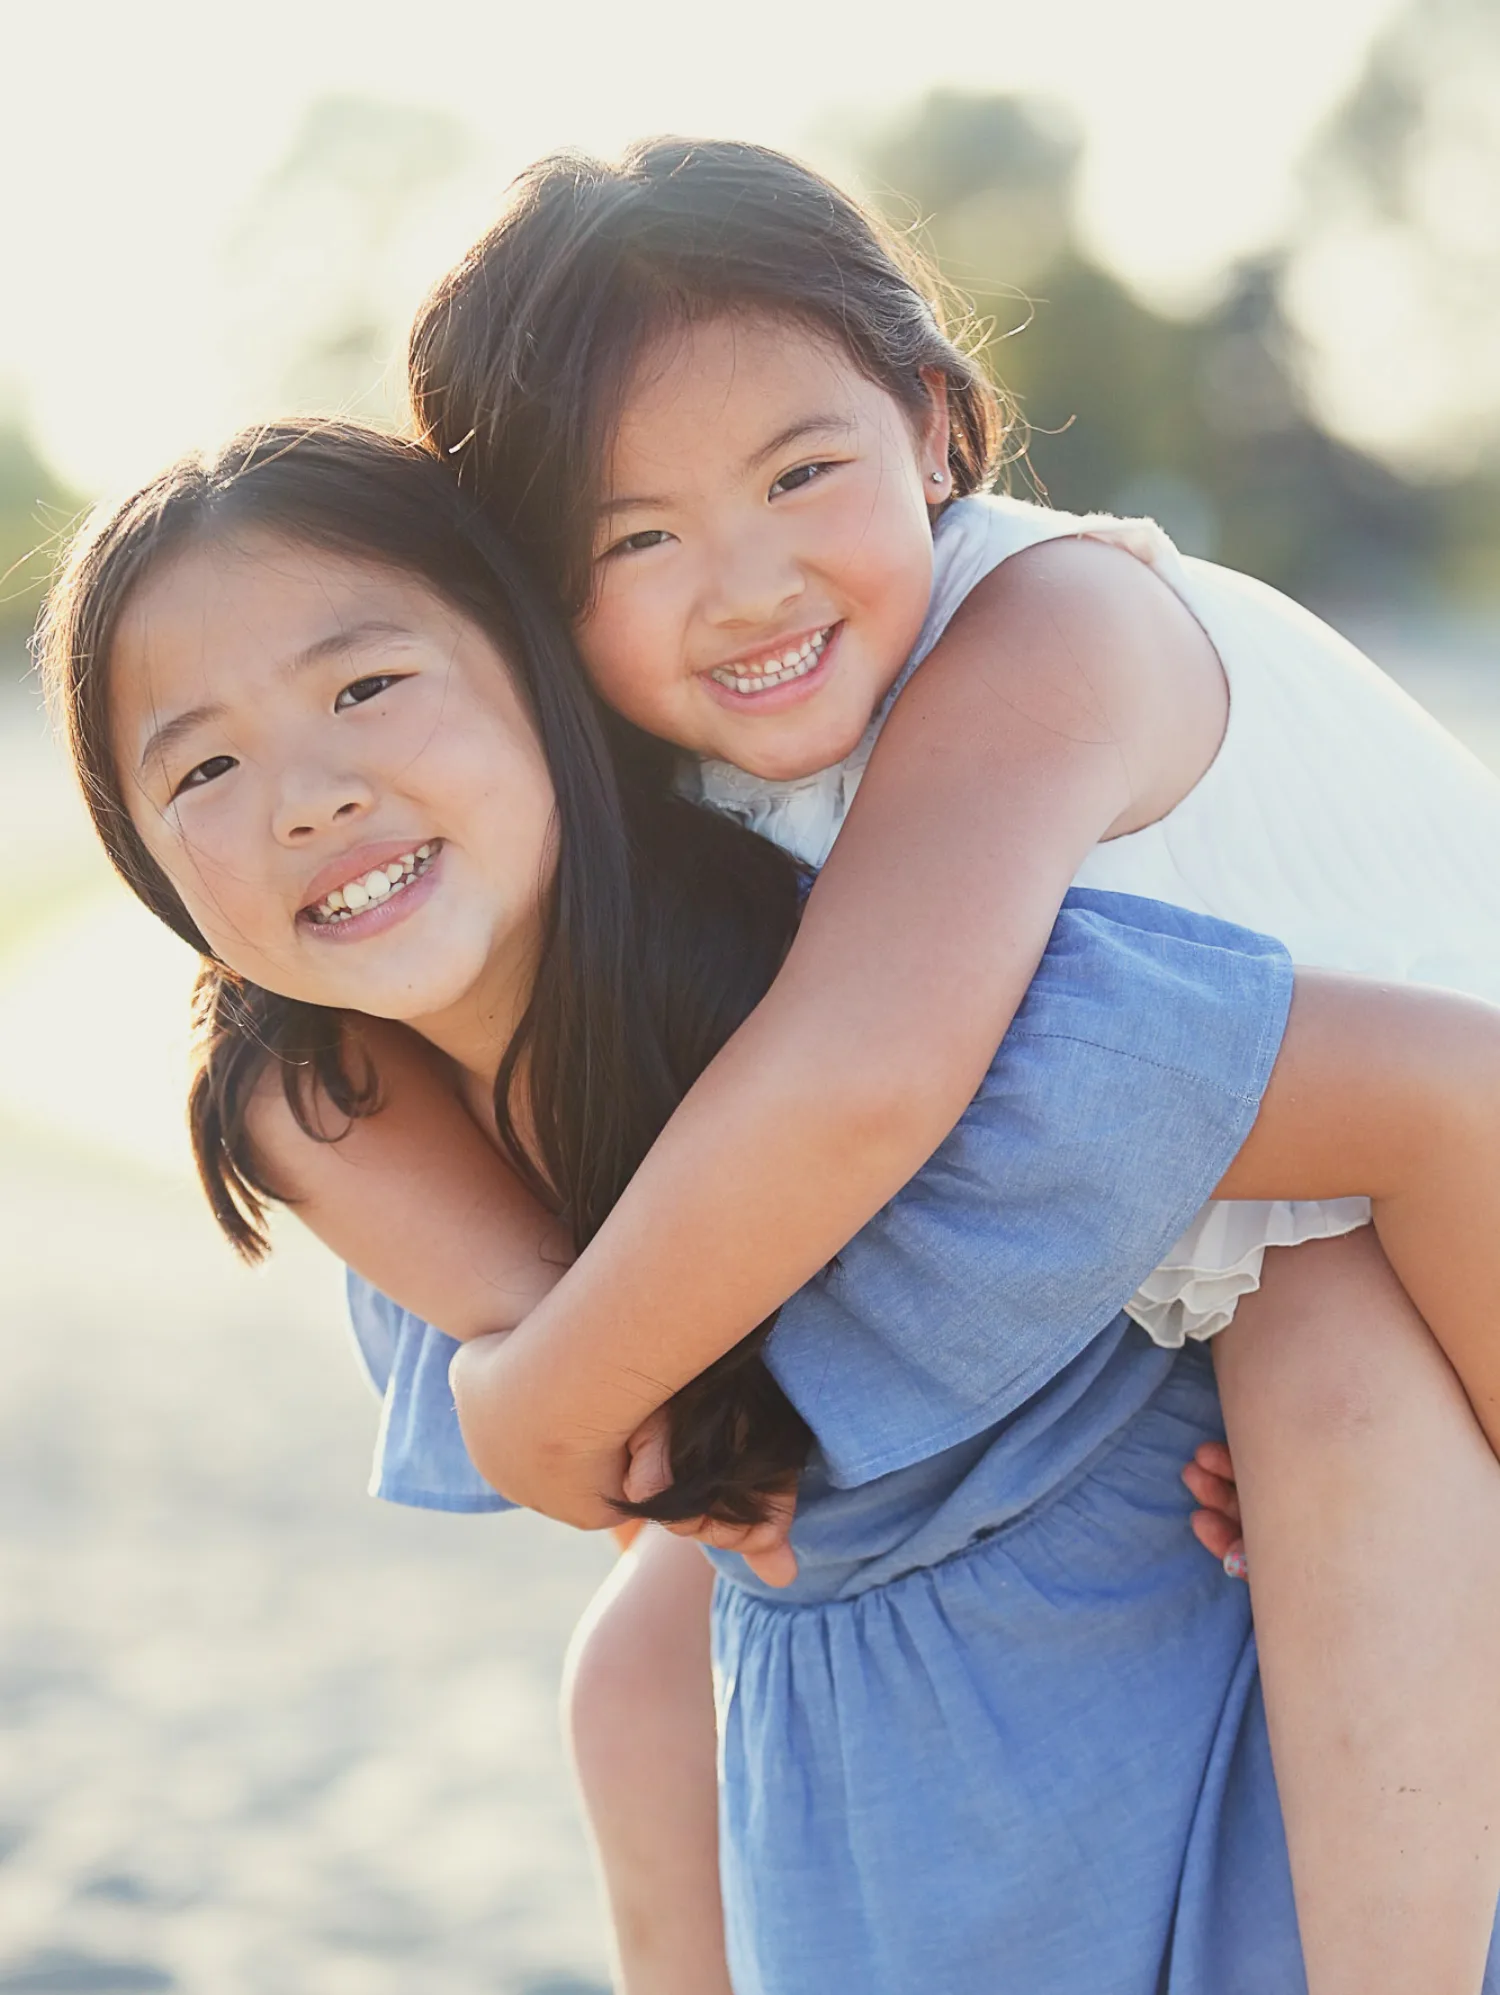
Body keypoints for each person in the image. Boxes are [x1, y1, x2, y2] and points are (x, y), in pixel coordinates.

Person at [39, 420, 1500, 1993]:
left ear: (546, 676)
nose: (308, 796)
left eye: (366, 685)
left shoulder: (897, 1010)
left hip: (1212, 1675)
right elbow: (289, 1084)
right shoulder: (355, 1109)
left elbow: (1449, 1090)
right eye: (202, 767)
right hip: (851, 1778)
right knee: (626, 1679)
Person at [394, 138, 1500, 1994]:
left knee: (1323, 1353)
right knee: (644, 1655)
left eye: (801, 473)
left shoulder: (1044, 634)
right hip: (1281, 1208)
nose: (741, 583)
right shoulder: (698, 766)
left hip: (1441, 1196)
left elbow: (860, 1078)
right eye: (630, 537)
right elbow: (335, 1050)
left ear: (930, 420)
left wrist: (543, 1391)